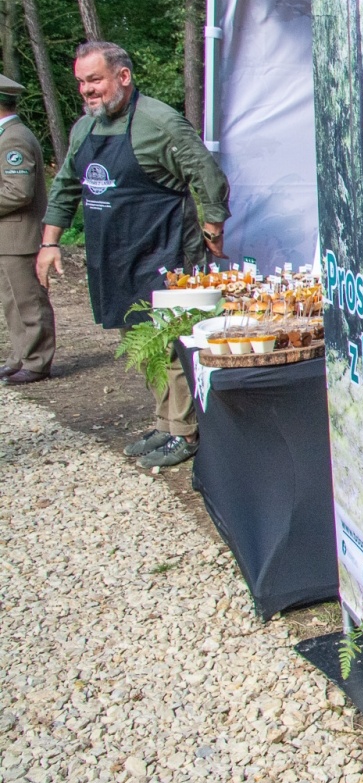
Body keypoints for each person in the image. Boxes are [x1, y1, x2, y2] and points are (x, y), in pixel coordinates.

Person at [37, 41, 231, 469]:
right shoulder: (83, 129)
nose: (87, 90)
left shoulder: (157, 122)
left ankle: (185, 431)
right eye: (81, 82)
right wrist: (50, 242)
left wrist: (213, 225)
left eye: (95, 80)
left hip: (165, 247)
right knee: (138, 341)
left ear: (122, 76)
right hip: (114, 251)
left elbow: (206, 173)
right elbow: (66, 185)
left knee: (171, 340)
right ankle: (165, 422)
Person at [0, 72, 55, 385]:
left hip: (19, 235)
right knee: (13, 301)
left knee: (28, 301)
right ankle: (20, 356)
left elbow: (19, 191)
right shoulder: (7, 135)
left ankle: (37, 361)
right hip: (9, 236)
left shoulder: (14, 137)